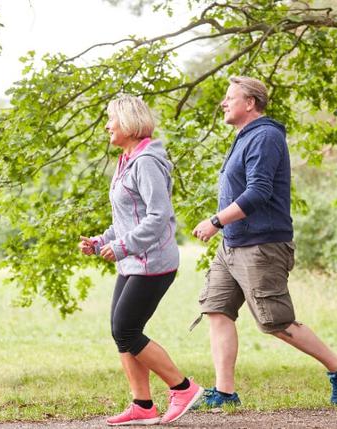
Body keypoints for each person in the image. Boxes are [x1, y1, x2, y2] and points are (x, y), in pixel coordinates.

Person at [190, 76, 337, 408]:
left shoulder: (265, 136)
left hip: (262, 245)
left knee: (275, 322)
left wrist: (215, 221)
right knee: (217, 309)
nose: (223, 103)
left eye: (229, 97)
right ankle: (225, 392)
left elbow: (258, 191)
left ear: (250, 102)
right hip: (233, 244)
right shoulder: (244, 137)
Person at [78, 95, 202, 426]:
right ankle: (143, 404)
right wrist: (103, 240)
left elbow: (159, 216)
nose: (107, 125)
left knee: (127, 329)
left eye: (111, 120)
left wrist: (121, 246)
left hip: (153, 262)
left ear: (129, 123)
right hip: (134, 260)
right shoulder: (127, 159)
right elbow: (128, 216)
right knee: (122, 332)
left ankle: (183, 388)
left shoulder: (147, 161)